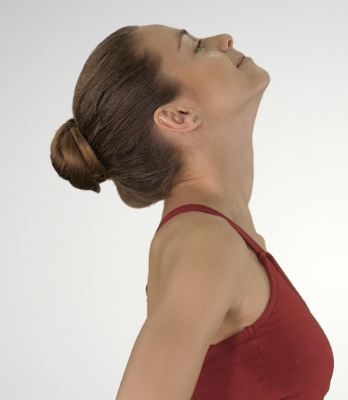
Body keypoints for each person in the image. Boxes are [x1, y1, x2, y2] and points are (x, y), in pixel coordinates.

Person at [50, 25, 333, 399]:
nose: (223, 39)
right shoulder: (206, 242)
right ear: (179, 115)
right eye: (196, 47)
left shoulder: (217, 235)